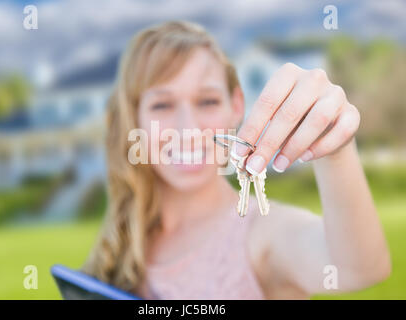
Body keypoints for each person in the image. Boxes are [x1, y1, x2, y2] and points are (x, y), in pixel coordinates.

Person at [81, 21, 391, 299]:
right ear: (135, 118)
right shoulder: (126, 234)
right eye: (162, 105)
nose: (188, 128)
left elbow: (358, 269)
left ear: (236, 106)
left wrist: (333, 148)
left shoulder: (263, 234)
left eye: (207, 101)